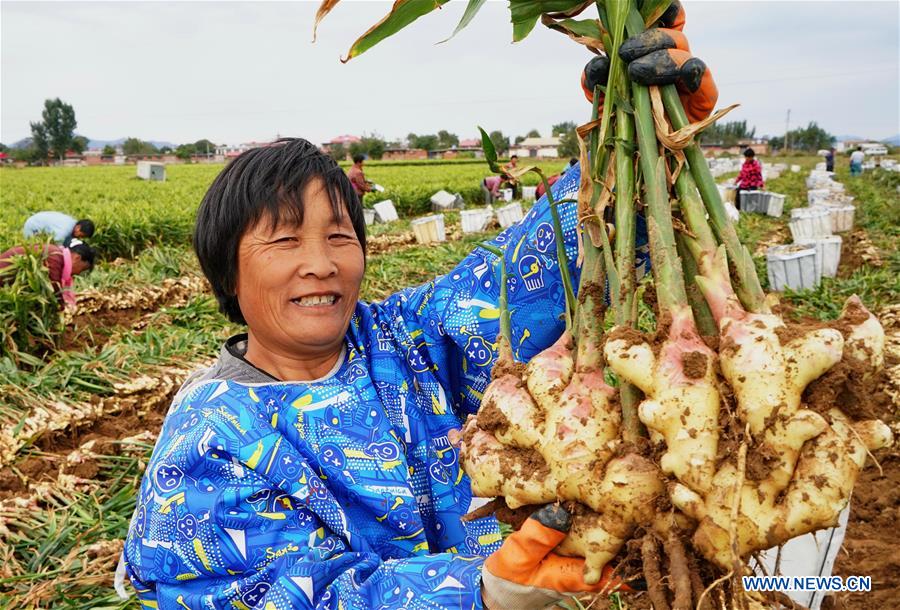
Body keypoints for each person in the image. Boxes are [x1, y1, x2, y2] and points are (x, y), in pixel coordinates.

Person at [121, 3, 716, 607]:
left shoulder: (404, 340)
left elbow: (536, 269)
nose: (321, 263)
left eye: (339, 236)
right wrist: (477, 593)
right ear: (227, 271)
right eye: (284, 241)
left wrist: (640, 137)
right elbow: (258, 595)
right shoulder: (210, 439)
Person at [0, 241, 95, 309]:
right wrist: (62, 307)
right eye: (82, 268)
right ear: (77, 258)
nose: (78, 273)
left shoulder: (57, 253)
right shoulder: (56, 256)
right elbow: (53, 286)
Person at [23, 211, 95, 247]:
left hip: (37, 220)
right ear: (78, 227)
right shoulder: (65, 231)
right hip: (33, 226)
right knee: (33, 248)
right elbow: (57, 245)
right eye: (81, 235)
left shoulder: (73, 223)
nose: (80, 238)